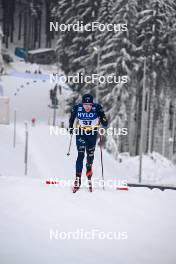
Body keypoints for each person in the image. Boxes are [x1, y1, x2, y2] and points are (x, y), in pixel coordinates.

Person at [69, 94, 108, 193]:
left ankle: (89, 169)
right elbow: (72, 117)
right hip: (81, 133)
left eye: (89, 105)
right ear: (82, 104)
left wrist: (102, 118)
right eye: (85, 105)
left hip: (92, 134)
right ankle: (78, 180)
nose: (87, 107)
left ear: (92, 104)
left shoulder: (97, 108)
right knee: (80, 155)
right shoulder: (77, 108)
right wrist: (70, 126)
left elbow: (105, 122)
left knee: (90, 157)